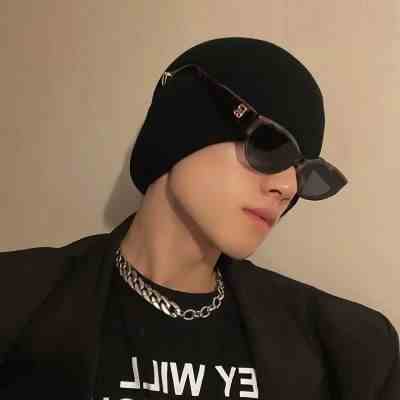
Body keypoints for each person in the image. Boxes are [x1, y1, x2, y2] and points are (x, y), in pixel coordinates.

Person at [0, 37, 398, 399]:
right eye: (269, 145)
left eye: (305, 174)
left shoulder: (354, 352)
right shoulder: (16, 300)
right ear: (181, 127)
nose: (286, 187)